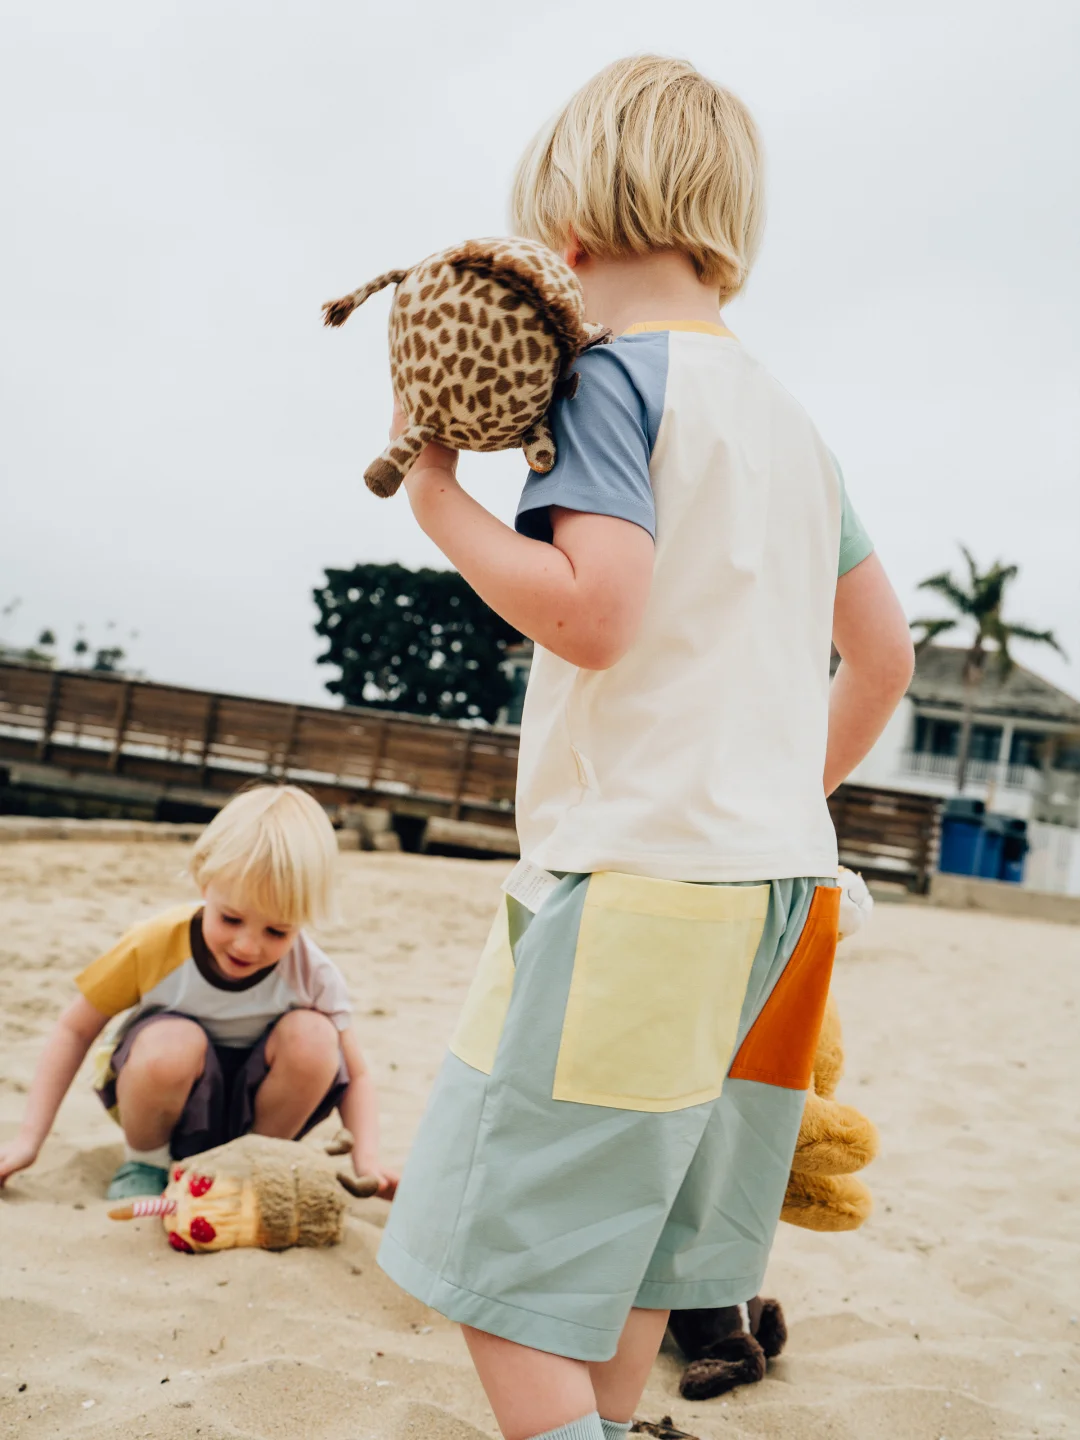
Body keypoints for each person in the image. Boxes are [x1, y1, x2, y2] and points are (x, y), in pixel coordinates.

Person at [374, 55, 915, 1440]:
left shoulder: (607, 382)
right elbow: (884, 658)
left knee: (499, 1281)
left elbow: (593, 615)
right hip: (780, 906)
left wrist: (438, 497)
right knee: (621, 1277)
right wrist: (765, 803)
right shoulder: (795, 426)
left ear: (567, 233)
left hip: (634, 892)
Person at [0, 784, 397, 1202]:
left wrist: (367, 1162)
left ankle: (255, 1168)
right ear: (203, 880)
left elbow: (359, 1075)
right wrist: (29, 1140)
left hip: (262, 1117)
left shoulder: (312, 973)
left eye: (277, 931)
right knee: (172, 1041)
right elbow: (74, 1029)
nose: (247, 945)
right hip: (163, 1106)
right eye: (230, 919)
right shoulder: (154, 944)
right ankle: (145, 1164)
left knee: (316, 1037)